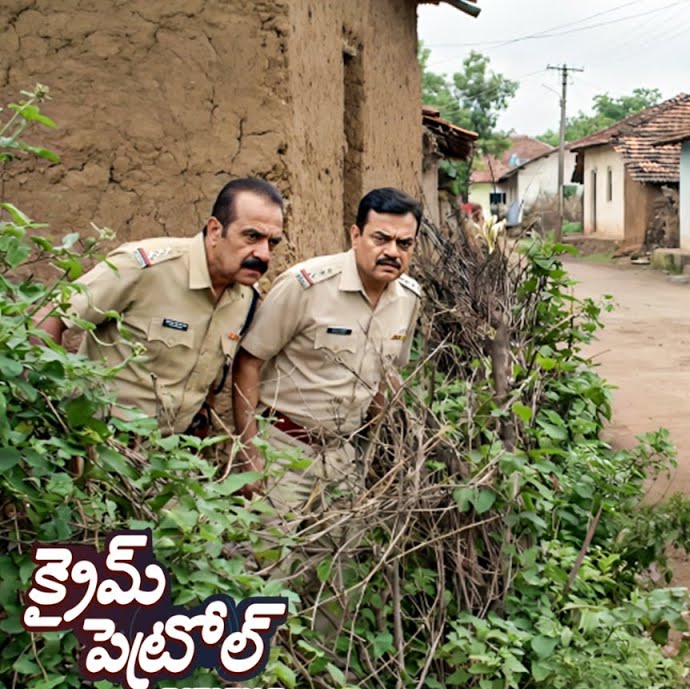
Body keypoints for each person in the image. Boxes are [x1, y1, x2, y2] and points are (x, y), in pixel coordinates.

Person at [34, 178, 282, 436]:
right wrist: (47, 409)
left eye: (273, 242)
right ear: (215, 231)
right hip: (101, 441)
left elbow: (205, 375)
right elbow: (48, 318)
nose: (264, 254)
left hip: (167, 449)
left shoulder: (245, 297)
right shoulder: (145, 267)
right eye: (252, 236)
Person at [232, 187, 424, 512]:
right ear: (355, 235)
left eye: (404, 244)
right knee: (272, 544)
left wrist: (377, 451)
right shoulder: (306, 286)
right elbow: (248, 363)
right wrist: (250, 453)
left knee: (340, 545)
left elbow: (387, 376)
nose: (392, 252)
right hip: (283, 450)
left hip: (344, 458)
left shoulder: (409, 298)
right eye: (381, 239)